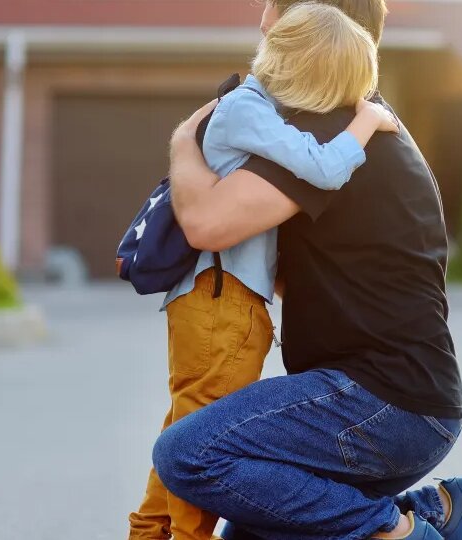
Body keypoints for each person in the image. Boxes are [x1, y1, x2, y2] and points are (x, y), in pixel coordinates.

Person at [151, 1, 462, 539]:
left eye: (276, 10)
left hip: (379, 402)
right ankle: (450, 512)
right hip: (404, 405)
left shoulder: (326, 133)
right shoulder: (363, 123)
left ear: (316, 26)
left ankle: (401, 531)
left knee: (187, 454)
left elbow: (206, 223)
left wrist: (181, 140)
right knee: (251, 528)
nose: (264, 22)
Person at [128, 4, 400, 539]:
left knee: (188, 422)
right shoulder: (248, 110)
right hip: (219, 300)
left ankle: (148, 532)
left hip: (223, 299)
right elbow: (322, 167)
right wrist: (366, 121)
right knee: (199, 441)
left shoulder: (251, 110)